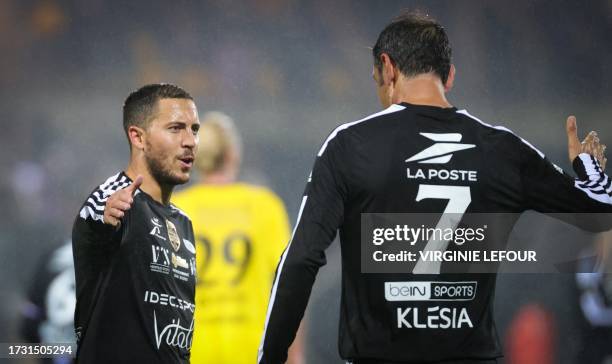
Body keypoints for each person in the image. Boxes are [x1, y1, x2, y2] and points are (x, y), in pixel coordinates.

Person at [257, 12, 612, 364]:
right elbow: (599, 206)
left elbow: (301, 259)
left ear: (388, 68)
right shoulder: (502, 149)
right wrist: (588, 168)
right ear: (450, 76)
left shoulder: (351, 144)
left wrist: (270, 358)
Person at [71, 83, 200, 363]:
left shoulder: (184, 223)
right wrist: (105, 218)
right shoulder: (116, 200)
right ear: (138, 137)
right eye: (176, 128)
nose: (190, 141)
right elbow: (96, 221)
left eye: (194, 129)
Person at [172, 112, 303, 364]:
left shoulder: (175, 210)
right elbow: (289, 287)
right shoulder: (264, 206)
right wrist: (294, 356)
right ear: (233, 154)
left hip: (190, 352)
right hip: (254, 351)